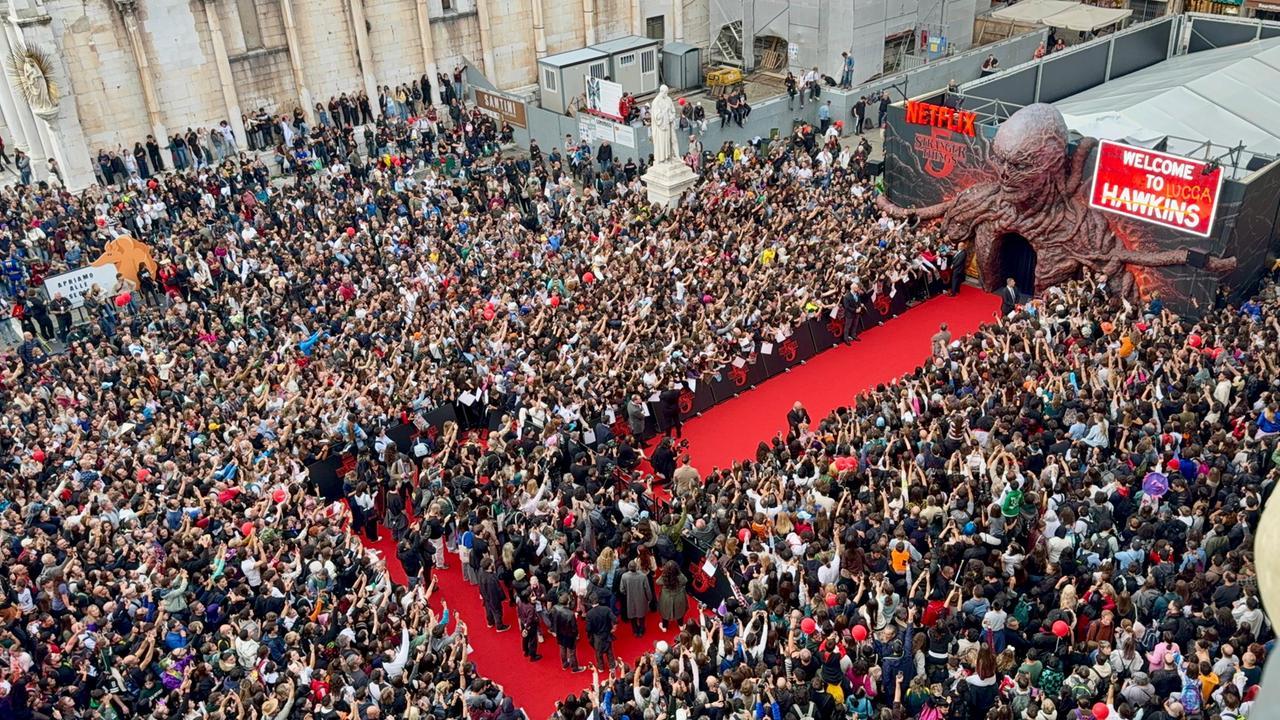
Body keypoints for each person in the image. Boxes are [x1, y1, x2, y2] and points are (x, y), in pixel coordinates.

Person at [619, 560, 652, 636]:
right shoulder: (643, 576)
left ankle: (635, 630)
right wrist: (649, 598)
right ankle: (641, 630)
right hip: (641, 598)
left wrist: (627, 594)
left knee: (632, 616)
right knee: (641, 616)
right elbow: (647, 589)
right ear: (636, 567)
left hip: (630, 599)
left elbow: (621, 589)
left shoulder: (624, 576)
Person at [585, 592, 616, 669]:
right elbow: (615, 619)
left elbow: (588, 629)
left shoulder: (589, 614)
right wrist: (614, 628)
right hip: (606, 633)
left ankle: (600, 667)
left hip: (597, 636)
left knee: (598, 652)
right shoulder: (606, 609)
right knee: (609, 651)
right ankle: (612, 666)